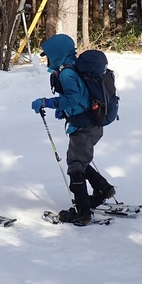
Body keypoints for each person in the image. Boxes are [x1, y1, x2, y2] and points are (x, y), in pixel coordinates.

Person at [30, 34, 116, 226]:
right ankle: (104, 189)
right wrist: (65, 110)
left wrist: (48, 103)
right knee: (80, 161)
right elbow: (80, 96)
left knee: (75, 165)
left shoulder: (66, 73)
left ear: (56, 54)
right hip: (89, 123)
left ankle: (82, 213)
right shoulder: (73, 66)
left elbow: (72, 98)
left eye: (48, 55)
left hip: (85, 126)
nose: (47, 59)